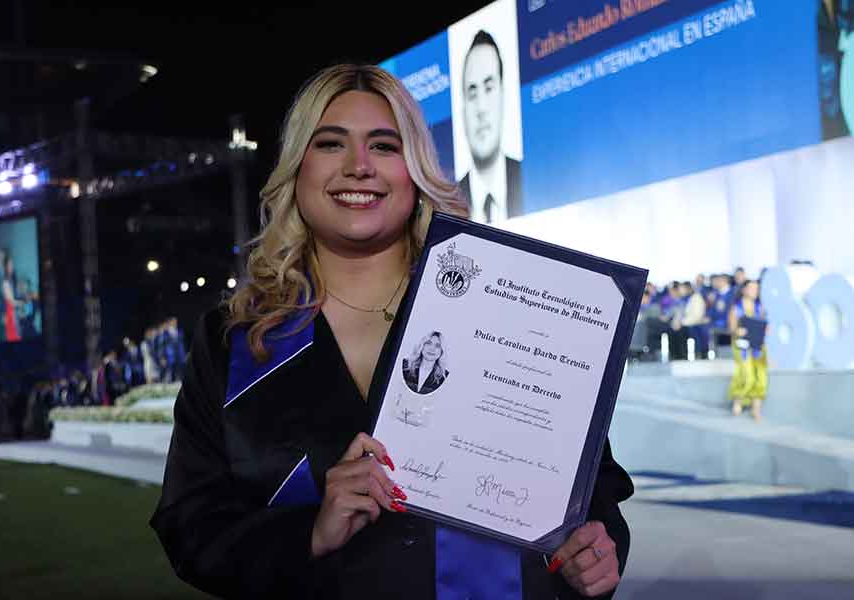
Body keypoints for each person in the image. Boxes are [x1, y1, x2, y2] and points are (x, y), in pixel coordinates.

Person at [150, 63, 632, 600]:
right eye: (330, 144)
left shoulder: (507, 311)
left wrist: (596, 552)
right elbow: (190, 525)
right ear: (297, 168)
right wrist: (308, 534)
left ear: (416, 169)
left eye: (384, 146)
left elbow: (592, 502)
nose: (358, 167)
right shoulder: (236, 341)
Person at [456, 30, 522, 224]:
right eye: (472, 93)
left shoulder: (535, 178)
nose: (481, 108)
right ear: (463, 110)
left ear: (503, 95)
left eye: (489, 88)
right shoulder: (445, 202)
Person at [728, 279, 768, 420]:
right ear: (744, 290)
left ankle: (756, 408)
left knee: (761, 375)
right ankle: (738, 401)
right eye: (751, 288)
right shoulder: (736, 308)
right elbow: (732, 328)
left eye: (756, 289)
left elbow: (766, 326)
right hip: (742, 345)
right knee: (746, 373)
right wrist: (738, 331)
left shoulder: (760, 308)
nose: (754, 291)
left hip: (758, 344)